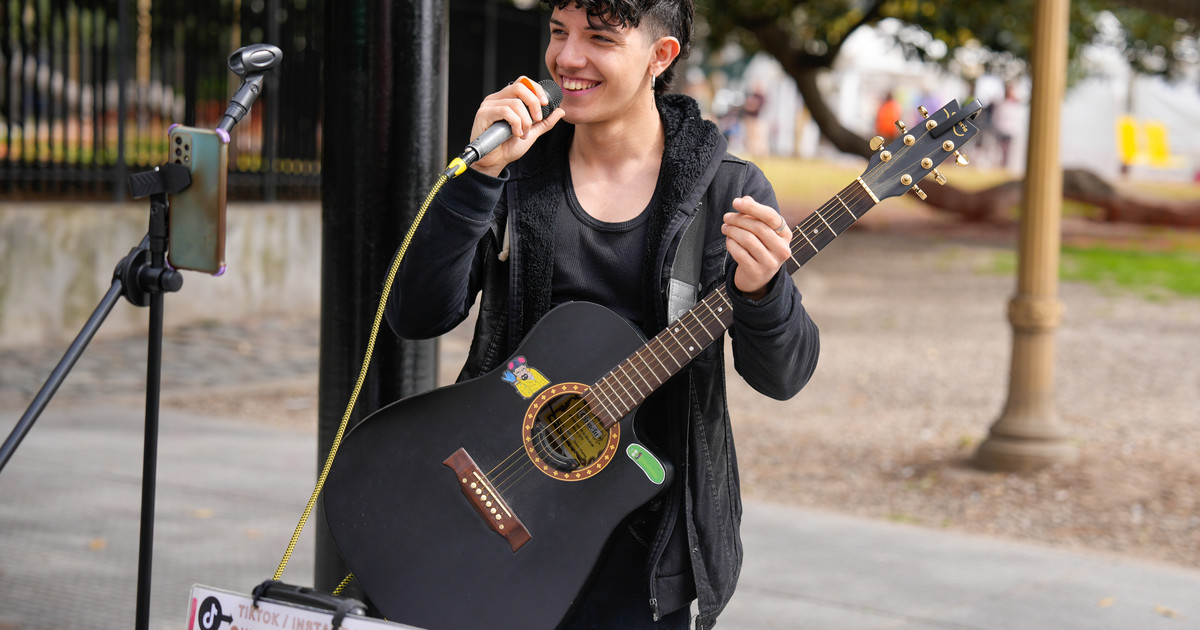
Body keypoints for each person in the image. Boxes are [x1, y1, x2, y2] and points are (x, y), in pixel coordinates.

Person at [385, 1, 819, 628]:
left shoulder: (726, 193)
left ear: (660, 56)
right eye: (558, 33)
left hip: (643, 553)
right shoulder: (514, 167)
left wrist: (764, 292)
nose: (567, 58)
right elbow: (417, 315)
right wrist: (478, 178)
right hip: (497, 504)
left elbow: (783, 376)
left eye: (599, 38)